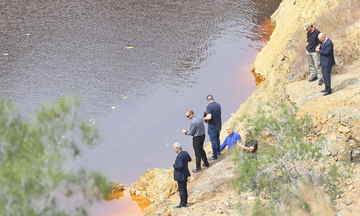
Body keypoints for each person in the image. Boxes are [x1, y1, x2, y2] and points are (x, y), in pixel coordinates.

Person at [172, 142, 191, 208]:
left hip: (180, 176)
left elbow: (180, 166)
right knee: (184, 189)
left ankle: (183, 204)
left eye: (174, 148)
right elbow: (189, 159)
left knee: (181, 190)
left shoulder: (179, 156)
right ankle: (185, 202)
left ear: (178, 148)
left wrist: (174, 165)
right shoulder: (185, 153)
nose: (173, 149)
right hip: (185, 174)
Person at [203, 95, 222, 161]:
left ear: (208, 101)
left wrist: (204, 118)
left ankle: (214, 156)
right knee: (217, 139)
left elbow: (209, 117)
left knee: (213, 141)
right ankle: (218, 152)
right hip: (218, 125)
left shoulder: (209, 107)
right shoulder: (218, 105)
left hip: (212, 127)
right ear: (213, 99)